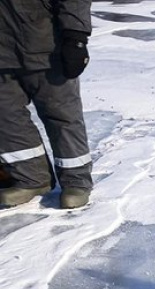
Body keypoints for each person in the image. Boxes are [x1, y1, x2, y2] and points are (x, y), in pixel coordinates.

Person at [0, 0, 93, 209]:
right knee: (5, 116)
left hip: (45, 44)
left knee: (61, 114)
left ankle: (76, 182)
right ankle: (31, 178)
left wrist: (76, 36)